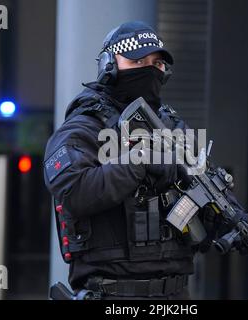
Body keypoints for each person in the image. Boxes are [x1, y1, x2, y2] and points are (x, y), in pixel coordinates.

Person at [44, 21, 214, 300]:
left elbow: (201, 180)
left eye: (156, 63)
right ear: (109, 65)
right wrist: (139, 159)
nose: (149, 68)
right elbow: (73, 191)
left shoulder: (173, 127)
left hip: (177, 295)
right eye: (138, 60)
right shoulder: (84, 127)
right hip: (114, 294)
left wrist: (219, 210)